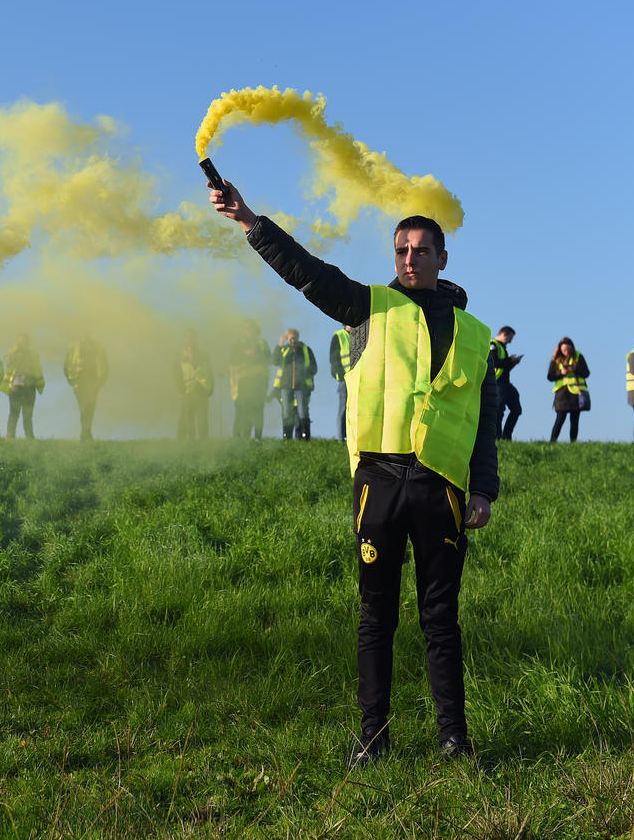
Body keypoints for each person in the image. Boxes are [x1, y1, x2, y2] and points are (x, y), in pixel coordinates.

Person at [210, 180, 499, 764]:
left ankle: (453, 740)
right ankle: (373, 736)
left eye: (421, 250)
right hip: (378, 484)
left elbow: (484, 419)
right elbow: (307, 271)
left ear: (443, 259)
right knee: (376, 619)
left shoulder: (476, 336)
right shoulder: (368, 305)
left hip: (440, 485)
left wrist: (484, 490)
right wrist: (247, 219)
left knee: (441, 621)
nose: (410, 259)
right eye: (401, 250)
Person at [229, 319, 270, 439]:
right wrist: (245, 355)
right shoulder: (238, 344)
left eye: (252, 328)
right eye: (246, 328)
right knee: (243, 409)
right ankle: (243, 437)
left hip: (260, 381)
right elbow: (233, 360)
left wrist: (256, 356)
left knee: (258, 409)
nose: (249, 331)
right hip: (244, 381)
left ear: (256, 330)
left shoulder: (263, 344)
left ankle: (258, 437)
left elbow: (269, 359)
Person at [273, 328, 317, 440]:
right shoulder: (284, 350)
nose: (292, 341)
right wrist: (279, 345)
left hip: (301, 386)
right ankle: (286, 436)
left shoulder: (305, 350)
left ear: (298, 337)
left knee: (302, 411)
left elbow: (314, 367)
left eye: (294, 338)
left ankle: (305, 436)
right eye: (290, 338)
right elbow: (274, 361)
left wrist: (304, 373)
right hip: (286, 385)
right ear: (287, 339)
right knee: (287, 411)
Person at [64, 334, 108, 440]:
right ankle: (85, 433)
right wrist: (73, 382)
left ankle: (86, 432)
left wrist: (99, 382)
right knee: (83, 408)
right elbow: (67, 366)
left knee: (90, 408)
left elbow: (105, 366)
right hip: (80, 382)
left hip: (93, 381)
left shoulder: (98, 347)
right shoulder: (73, 347)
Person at [2, 333, 45, 439]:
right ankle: (10, 436)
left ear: (28, 343)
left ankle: (29, 436)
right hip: (15, 387)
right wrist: (14, 350)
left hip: (30, 387)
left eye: (23, 342)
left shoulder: (33, 355)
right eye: (19, 342)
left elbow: (36, 366)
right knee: (14, 413)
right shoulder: (12, 353)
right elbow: (7, 362)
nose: (21, 344)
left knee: (27, 415)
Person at [546, 337, 589, 443]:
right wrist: (561, 372)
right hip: (562, 395)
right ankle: (552, 442)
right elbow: (550, 376)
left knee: (575, 421)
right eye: (564, 350)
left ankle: (573, 443)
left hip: (576, 393)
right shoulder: (555, 359)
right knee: (560, 419)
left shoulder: (579, 356)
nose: (566, 352)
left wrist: (575, 369)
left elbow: (586, 373)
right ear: (560, 349)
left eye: (568, 350)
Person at [174, 328, 214, 439]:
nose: (190, 339)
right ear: (185, 338)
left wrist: (211, 388)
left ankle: (203, 442)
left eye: (192, 337)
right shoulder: (179, 356)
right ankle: (190, 441)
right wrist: (180, 391)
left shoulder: (203, 355)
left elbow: (210, 372)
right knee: (188, 418)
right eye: (187, 337)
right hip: (187, 391)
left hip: (201, 390)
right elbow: (176, 375)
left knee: (202, 419)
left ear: (196, 339)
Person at [488, 327, 522, 440]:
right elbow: (494, 362)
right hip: (498, 384)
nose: (510, 341)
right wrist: (509, 361)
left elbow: (504, 368)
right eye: (510, 338)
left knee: (516, 409)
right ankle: (498, 437)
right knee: (499, 411)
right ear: (504, 334)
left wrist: (513, 363)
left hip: (506, 384)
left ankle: (506, 436)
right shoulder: (493, 345)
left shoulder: (502, 347)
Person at [330, 324, 354, 441]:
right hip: (344, 378)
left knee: (354, 408)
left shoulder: (358, 334)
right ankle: (341, 437)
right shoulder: (338, 336)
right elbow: (333, 358)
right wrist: (340, 375)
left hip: (356, 378)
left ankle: (350, 437)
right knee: (343, 407)